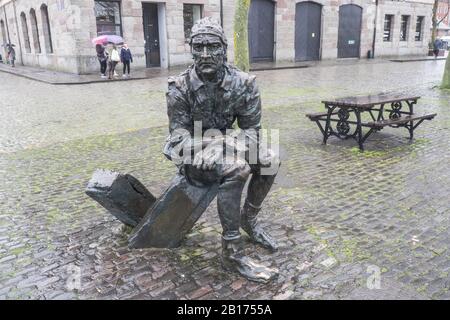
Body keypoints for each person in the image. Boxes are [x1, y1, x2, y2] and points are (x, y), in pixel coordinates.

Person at [163, 17, 279, 282]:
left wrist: (222, 143)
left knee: (271, 159)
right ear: (191, 49)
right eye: (198, 47)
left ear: (224, 49)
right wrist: (211, 145)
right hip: (192, 152)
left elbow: (252, 132)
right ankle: (232, 251)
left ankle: (249, 220)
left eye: (213, 47)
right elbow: (178, 137)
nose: (205, 54)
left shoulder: (245, 83)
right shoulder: (178, 87)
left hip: (226, 143)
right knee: (237, 169)